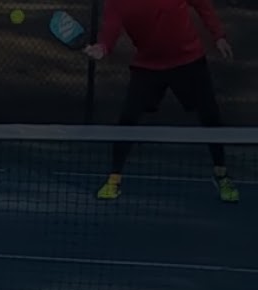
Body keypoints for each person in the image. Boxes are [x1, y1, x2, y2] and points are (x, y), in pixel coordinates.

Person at [83, 0, 238, 202]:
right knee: (127, 121)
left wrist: (218, 36)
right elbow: (111, 26)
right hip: (147, 66)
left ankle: (221, 174)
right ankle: (114, 179)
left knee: (211, 117)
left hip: (188, 61)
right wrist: (103, 48)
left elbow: (203, 5)